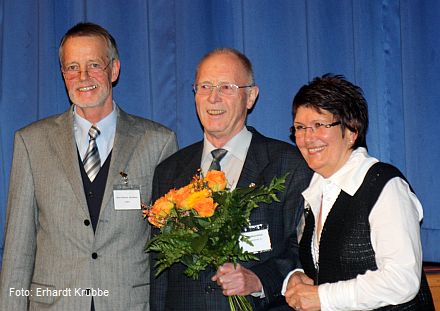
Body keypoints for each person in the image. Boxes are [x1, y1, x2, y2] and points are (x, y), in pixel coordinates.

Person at [0, 22, 178, 310]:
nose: (83, 77)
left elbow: (170, 248)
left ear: (114, 70)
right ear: (63, 74)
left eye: (94, 64)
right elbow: (17, 250)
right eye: (72, 67)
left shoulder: (158, 143)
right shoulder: (30, 142)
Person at [149, 47, 312, 311]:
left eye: (226, 87)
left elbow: (305, 250)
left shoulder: (287, 164)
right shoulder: (169, 171)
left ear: (250, 97)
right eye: (204, 86)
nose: (213, 98)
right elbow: (159, 271)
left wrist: (259, 279)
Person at [283, 74, 434, 310]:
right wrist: (300, 275)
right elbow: (332, 267)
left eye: (319, 125)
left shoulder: (385, 186)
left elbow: (402, 280)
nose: (307, 137)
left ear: (352, 131)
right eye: (300, 127)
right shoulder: (315, 191)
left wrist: (323, 297)